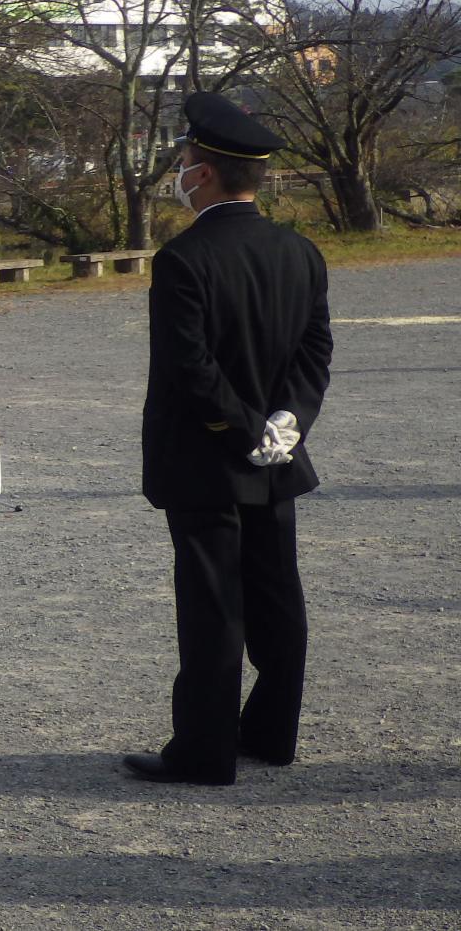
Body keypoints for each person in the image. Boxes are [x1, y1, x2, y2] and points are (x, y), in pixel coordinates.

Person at [123, 91, 333, 786]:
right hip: (275, 457)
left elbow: (191, 368)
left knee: (214, 607)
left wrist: (244, 429)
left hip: (209, 459)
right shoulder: (299, 251)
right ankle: (271, 733)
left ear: (204, 173)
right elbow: (314, 353)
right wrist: (285, 423)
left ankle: (205, 751)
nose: (180, 173)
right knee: (278, 598)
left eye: (185, 162)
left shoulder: (184, 259)